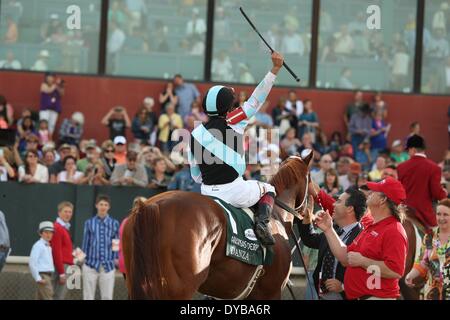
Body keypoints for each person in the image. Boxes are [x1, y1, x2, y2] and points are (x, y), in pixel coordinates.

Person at [189, 52, 284, 246]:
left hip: (206, 193)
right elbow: (255, 100)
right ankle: (262, 226)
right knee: (269, 188)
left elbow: (196, 176)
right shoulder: (234, 121)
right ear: (228, 109)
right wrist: (274, 69)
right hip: (235, 191)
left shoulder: (194, 134)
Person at [315, 177, 408, 300]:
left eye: (375, 191)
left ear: (382, 200)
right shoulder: (372, 227)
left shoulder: (394, 230)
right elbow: (345, 257)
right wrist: (328, 229)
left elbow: (395, 271)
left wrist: (363, 261)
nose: (370, 192)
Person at [299, 187, 366, 300]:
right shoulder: (332, 229)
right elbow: (310, 240)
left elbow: (368, 272)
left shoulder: (364, 235)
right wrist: (307, 219)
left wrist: (344, 286)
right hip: (322, 295)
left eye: (339, 201)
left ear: (350, 209)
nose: (334, 204)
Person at [398, 135, 448, 230]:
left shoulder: (401, 167)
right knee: (437, 235)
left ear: (412, 149)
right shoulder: (434, 168)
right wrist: (444, 193)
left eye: (408, 150)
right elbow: (436, 192)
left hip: (404, 211)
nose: (408, 153)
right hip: (424, 213)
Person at [405, 199, 450, 300]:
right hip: (432, 293)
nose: (441, 218)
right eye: (439, 214)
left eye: (445, 214)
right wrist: (411, 275)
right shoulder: (429, 236)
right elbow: (422, 261)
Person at [81, 195, 119, 300]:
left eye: (106, 205)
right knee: (88, 296)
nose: (103, 207)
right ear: (96, 206)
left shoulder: (114, 223)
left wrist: (115, 259)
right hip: (90, 264)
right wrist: (82, 260)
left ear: (109, 207)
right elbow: (85, 242)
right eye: (101, 204)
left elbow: (116, 243)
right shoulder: (89, 223)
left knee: (107, 296)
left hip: (108, 265)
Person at [50, 202, 74, 300]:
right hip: (61, 267)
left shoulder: (63, 228)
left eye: (70, 212)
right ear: (59, 213)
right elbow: (56, 251)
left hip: (64, 266)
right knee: (57, 296)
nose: (68, 214)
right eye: (65, 211)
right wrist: (61, 272)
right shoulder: (58, 227)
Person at [29, 221, 55, 300]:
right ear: (40, 233)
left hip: (48, 276)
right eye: (46, 232)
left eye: (51, 232)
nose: (48, 235)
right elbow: (32, 262)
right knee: (49, 297)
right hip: (43, 276)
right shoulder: (38, 245)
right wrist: (38, 278)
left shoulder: (48, 246)